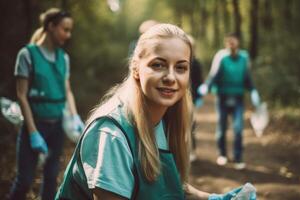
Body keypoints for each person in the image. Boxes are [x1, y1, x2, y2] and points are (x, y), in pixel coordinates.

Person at [55, 24, 255, 200]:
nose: (170, 77)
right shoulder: (112, 134)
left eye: (181, 68)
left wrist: (211, 198)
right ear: (136, 68)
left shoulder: (167, 117)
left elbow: (163, 185)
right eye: (158, 65)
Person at [9, 8, 84, 200]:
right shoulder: (27, 55)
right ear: (51, 26)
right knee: (24, 180)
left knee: (51, 178)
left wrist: (74, 116)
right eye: (65, 29)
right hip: (34, 126)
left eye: (70, 30)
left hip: (57, 126)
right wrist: (33, 132)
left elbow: (67, 90)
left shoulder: (63, 58)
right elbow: (22, 95)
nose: (68, 35)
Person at [198, 33, 261, 169]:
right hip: (222, 97)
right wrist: (206, 86)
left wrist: (253, 91)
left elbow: (247, 78)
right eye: (229, 42)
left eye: (233, 42)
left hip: (238, 98)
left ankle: (238, 158)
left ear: (238, 43)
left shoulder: (244, 58)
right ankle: (222, 154)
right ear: (226, 44)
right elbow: (214, 75)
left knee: (238, 129)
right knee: (222, 126)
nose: (231, 44)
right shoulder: (222, 57)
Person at [187, 35, 204, 162]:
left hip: (191, 98)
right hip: (177, 98)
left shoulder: (196, 64)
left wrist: (199, 97)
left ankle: (192, 150)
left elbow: (199, 81)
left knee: (191, 124)